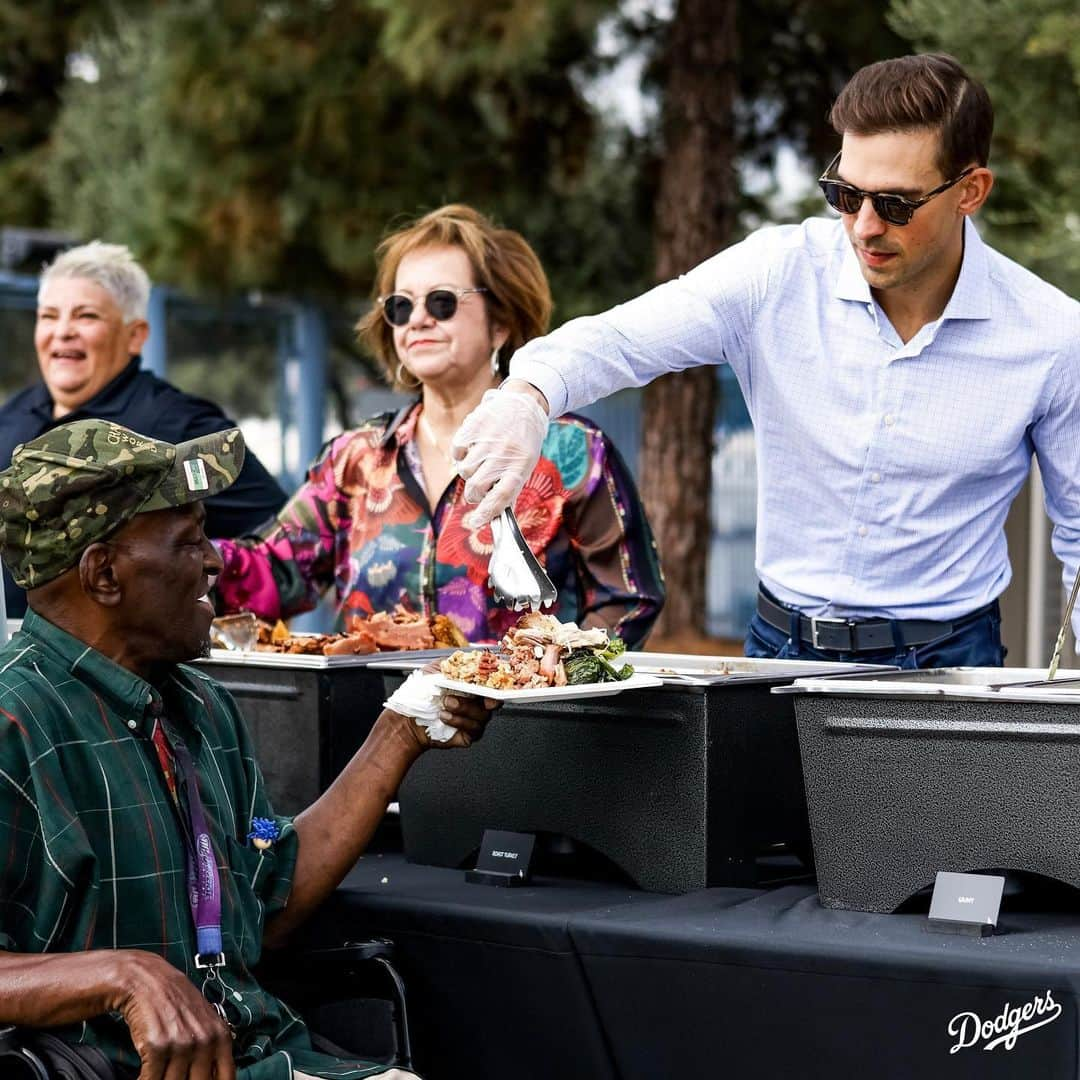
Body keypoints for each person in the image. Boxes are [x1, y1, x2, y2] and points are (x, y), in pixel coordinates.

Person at [452, 54, 1080, 670]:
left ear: (971, 190)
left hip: (950, 658)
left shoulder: (1052, 336)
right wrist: (528, 396)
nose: (862, 227)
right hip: (781, 649)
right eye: (845, 193)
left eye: (895, 204)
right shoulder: (775, 274)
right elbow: (619, 340)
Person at [0, 419, 496, 1079]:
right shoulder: (14, 722)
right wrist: (121, 976)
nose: (215, 561)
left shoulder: (203, 706)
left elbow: (269, 904)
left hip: (269, 1060)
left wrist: (401, 730)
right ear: (105, 575)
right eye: (190, 540)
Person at [215, 205, 664, 647]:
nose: (418, 320)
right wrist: (187, 554)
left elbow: (628, 600)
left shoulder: (575, 452)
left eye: (442, 302)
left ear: (501, 322)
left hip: (519, 716)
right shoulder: (354, 459)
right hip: (371, 719)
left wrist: (551, 681)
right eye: (400, 306)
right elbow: (271, 572)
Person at [0, 241, 287, 617]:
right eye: (49, 316)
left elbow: (285, 551)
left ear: (135, 335)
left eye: (86, 316)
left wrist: (180, 582)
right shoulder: (11, 418)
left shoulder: (179, 424)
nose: (63, 331)